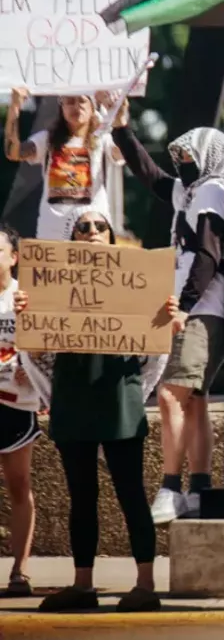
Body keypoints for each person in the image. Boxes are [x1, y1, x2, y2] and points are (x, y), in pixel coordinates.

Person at [18, 208, 170, 613]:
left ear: (112, 236)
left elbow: (152, 355)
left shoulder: (136, 286)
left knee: (132, 495)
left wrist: (163, 322)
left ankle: (145, 585)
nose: (92, 232)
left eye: (100, 226)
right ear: (73, 240)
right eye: (82, 227)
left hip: (120, 399)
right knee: (80, 497)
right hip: (73, 399)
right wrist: (26, 317)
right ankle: (82, 584)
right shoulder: (53, 288)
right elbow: (37, 353)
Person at [111, 103, 224, 524]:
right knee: (194, 400)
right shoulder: (194, 190)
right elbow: (154, 178)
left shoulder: (213, 190)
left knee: (170, 394)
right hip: (192, 306)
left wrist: (187, 305)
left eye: (188, 157)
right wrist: (123, 131)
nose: (181, 165)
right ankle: (199, 488)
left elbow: (209, 254)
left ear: (209, 156)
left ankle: (170, 487)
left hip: (200, 308)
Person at [5, 89, 123, 239]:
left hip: (92, 231)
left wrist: (117, 116)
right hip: (52, 232)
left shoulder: (103, 139)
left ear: (93, 107)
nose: (76, 106)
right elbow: (13, 153)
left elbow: (124, 153)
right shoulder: (47, 139)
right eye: (70, 102)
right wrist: (14, 107)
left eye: (82, 101)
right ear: (62, 108)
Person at [0, 223, 38, 596]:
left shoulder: (27, 298)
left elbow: (47, 349)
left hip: (15, 404)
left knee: (19, 484)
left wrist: (35, 367)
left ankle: (20, 571)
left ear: (13, 258)